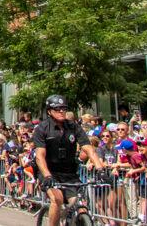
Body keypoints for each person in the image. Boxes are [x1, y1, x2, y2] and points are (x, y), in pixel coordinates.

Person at [32, 94, 107, 225]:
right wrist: (47, 176)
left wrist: (100, 169)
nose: (61, 111)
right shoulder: (42, 129)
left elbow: (89, 149)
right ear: (49, 111)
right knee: (57, 199)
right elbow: (40, 156)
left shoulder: (74, 127)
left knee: (81, 207)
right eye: (57, 109)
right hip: (49, 172)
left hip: (69, 173)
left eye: (63, 108)